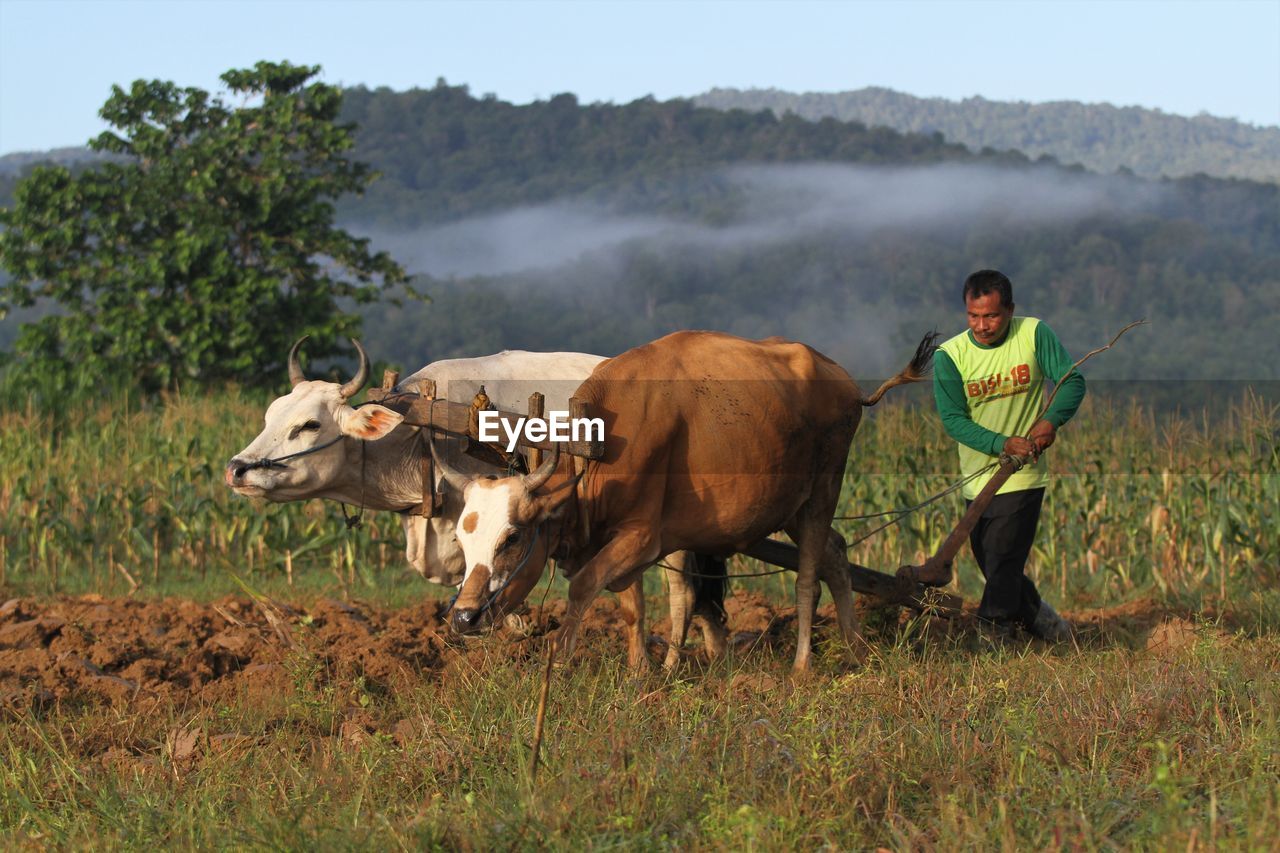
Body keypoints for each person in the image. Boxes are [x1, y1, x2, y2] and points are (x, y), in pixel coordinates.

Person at [933, 269, 1085, 641]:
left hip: (1023, 474)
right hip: (978, 477)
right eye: (974, 316)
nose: (982, 325)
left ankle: (994, 634)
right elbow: (954, 420)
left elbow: (1071, 382)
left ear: (1010, 310)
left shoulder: (1033, 334)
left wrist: (1051, 421)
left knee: (1002, 558)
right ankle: (1050, 627)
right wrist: (1001, 443)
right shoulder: (950, 356)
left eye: (992, 316)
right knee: (996, 564)